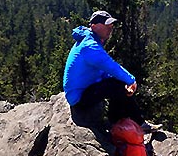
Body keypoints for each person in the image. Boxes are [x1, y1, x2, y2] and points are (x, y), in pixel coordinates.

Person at [63, 10, 157, 147]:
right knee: (117, 85)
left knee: (117, 84)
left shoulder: (90, 39)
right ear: (94, 26)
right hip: (79, 99)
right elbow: (110, 65)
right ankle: (134, 122)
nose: (110, 28)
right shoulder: (89, 46)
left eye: (111, 25)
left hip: (83, 90)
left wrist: (124, 81)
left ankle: (119, 121)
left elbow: (102, 70)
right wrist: (130, 80)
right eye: (107, 25)